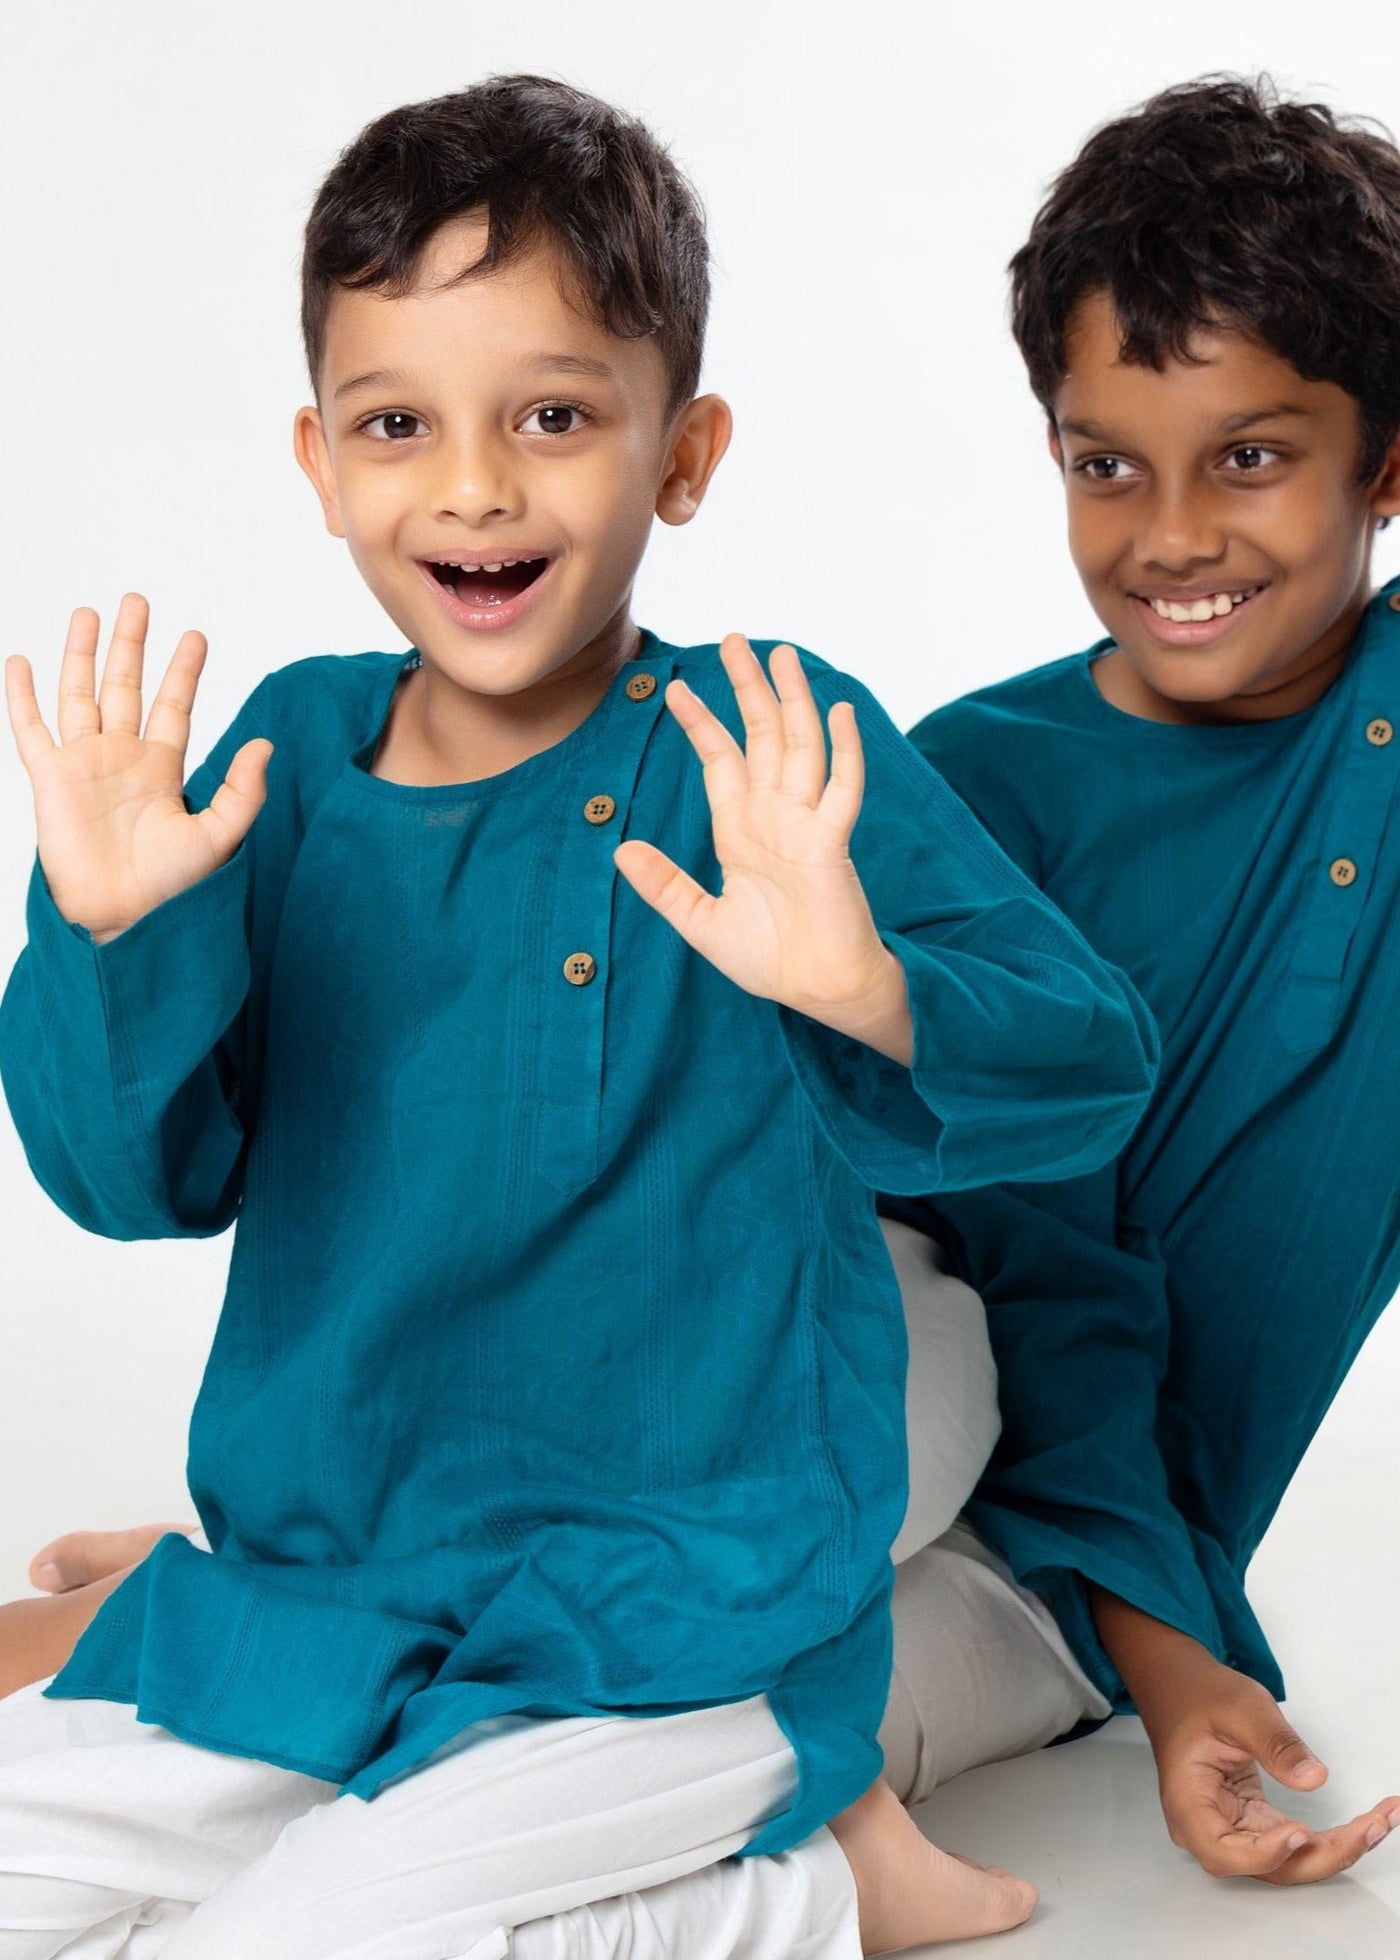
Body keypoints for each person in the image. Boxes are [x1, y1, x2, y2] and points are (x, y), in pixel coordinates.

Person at [0, 75, 1154, 1957]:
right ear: (318, 463)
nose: (473, 486)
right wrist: (113, 933)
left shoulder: (764, 741)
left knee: (301, 1941)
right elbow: (129, 1184)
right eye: (398, 423)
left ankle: (808, 1886)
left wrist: (866, 983)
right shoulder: (288, 758)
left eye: (552, 416)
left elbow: (1090, 1063)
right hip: (333, 1586)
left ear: (681, 455)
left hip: (677, 1608)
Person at [874, 74, 1400, 1889]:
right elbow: (1024, 1273)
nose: (1169, 535)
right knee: (863, 1434)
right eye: (1107, 464)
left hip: (1062, 1593)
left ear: (1387, 462)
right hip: (850, 1403)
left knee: (712, 1745)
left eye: (1250, 457)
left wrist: (1166, 1676)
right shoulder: (973, 789)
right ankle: (308, 1585)